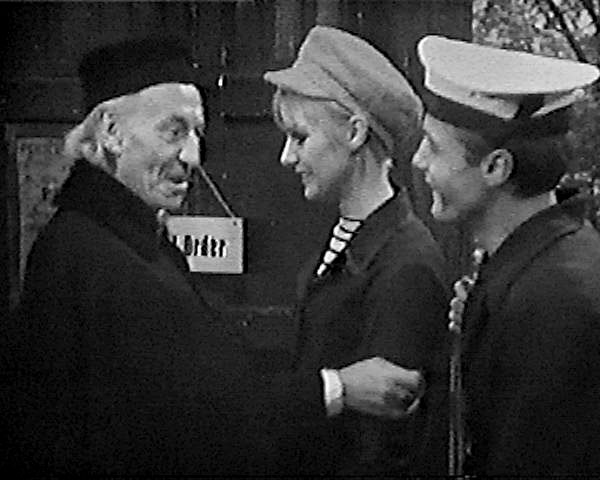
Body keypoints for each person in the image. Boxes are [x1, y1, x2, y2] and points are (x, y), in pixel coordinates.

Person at [0, 36, 435, 476]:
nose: (193, 156)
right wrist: (336, 388)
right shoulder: (90, 257)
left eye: (197, 134)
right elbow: (191, 419)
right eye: (174, 131)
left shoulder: (128, 243)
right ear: (111, 132)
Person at [406, 36, 600, 476]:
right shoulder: (530, 270)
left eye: (433, 146)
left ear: (496, 168)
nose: (419, 160)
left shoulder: (556, 301)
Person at [261, 26, 450, 476]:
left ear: (354, 132)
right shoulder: (354, 242)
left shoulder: (406, 266)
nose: (287, 157)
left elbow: (383, 447)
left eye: (300, 137)